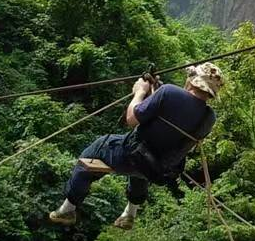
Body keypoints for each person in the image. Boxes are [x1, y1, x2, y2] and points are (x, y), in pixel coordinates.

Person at [50, 62, 224, 230]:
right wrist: (156, 92)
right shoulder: (209, 118)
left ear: (192, 80)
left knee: (94, 150)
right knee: (143, 164)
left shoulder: (169, 91)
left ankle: (68, 209)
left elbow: (132, 119)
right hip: (159, 169)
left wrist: (139, 92)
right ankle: (129, 214)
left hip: (129, 155)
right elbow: (173, 122)